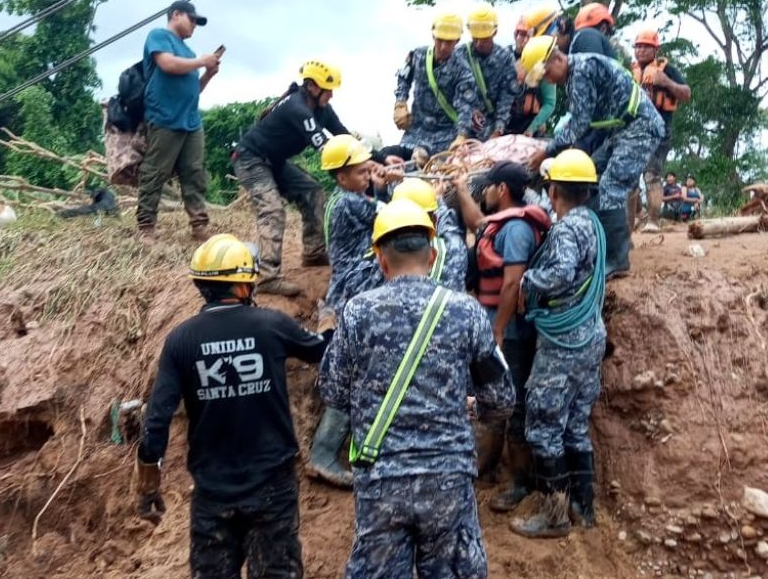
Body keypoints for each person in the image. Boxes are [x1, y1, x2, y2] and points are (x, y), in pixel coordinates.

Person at [319, 199, 515, 578]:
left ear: (380, 258)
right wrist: (469, 408)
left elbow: (332, 390)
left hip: (381, 480)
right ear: (432, 254)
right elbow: (501, 400)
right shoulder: (466, 310)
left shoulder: (357, 312)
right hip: (448, 478)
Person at [134, 234, 328, 578]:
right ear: (242, 286)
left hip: (213, 492)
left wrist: (149, 485)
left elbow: (157, 419)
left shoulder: (181, 340)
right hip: (272, 486)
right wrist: (327, 321)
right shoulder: (272, 324)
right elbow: (320, 351)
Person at [511, 149, 606, 539]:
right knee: (575, 426)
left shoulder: (567, 229)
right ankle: (584, 506)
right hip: (590, 336)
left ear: (554, 192)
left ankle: (555, 516)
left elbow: (562, 272)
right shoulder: (591, 223)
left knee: (543, 425)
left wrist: (527, 282)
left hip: (564, 341)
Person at [522, 35, 664, 278]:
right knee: (588, 173)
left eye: (546, 73)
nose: (547, 80)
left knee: (611, 184)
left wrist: (547, 150)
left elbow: (579, 123)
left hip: (640, 127)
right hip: (620, 130)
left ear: (556, 59)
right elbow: (587, 124)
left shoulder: (581, 70)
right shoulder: (574, 75)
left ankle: (617, 260)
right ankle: (597, 242)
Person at [454, 161, 550, 513]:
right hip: (494, 326)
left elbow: (512, 282)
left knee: (514, 404)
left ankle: (521, 481)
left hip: (509, 332)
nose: (486, 193)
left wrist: (497, 330)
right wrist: (461, 187)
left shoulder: (518, 230)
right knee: (491, 398)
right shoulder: (500, 224)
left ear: (502, 189)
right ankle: (487, 465)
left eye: (489, 187)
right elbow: (475, 223)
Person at [308, 135, 396, 488]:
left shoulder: (347, 199)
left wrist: (377, 184)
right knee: (355, 377)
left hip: (349, 295)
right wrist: (392, 184)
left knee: (353, 376)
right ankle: (324, 454)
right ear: (341, 176)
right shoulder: (348, 204)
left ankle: (331, 452)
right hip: (352, 297)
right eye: (360, 172)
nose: (366, 175)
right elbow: (395, 216)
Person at [233, 60, 350, 297]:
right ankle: (267, 276)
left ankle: (314, 252)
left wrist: (376, 156)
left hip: (274, 162)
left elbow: (343, 136)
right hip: (250, 159)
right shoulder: (296, 108)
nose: (332, 95)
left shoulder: (323, 111)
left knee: (313, 191)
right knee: (273, 211)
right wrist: (353, 165)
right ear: (312, 87)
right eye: (328, 90)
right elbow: (326, 147)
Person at [136, 0, 222, 242]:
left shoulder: (189, 53)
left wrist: (208, 73)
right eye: (192, 19)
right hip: (165, 118)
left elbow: (194, 89)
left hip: (191, 121)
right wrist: (201, 62)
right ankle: (146, 226)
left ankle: (199, 225)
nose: (194, 25)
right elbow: (168, 64)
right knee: (155, 172)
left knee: (194, 172)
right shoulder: (159, 36)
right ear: (176, 15)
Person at [394, 14, 483, 159]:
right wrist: (400, 102)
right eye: (440, 40)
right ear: (433, 37)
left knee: (442, 172)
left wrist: (461, 136)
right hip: (416, 131)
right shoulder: (418, 55)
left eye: (449, 42)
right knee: (401, 169)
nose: (443, 47)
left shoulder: (463, 71)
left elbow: (465, 107)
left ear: (457, 41)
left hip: (446, 135)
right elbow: (403, 78)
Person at [631, 30, 692, 232]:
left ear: (655, 50)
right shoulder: (631, 72)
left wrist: (665, 82)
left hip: (659, 130)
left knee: (652, 175)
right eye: (638, 46)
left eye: (646, 46)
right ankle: (635, 218)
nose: (640, 50)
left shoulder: (668, 70)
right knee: (628, 176)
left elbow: (686, 93)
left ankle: (654, 222)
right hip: (635, 131)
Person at [454, 5, 520, 140]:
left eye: (483, 39)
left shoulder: (505, 58)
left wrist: (498, 130)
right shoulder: (459, 54)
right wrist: (469, 111)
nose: (478, 43)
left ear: (494, 33)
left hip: (489, 124)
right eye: (475, 38)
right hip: (459, 120)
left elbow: (506, 99)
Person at [392, 177, 468, 291]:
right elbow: (449, 230)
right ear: (434, 219)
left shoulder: (382, 250)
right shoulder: (452, 247)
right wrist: (439, 200)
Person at [507, 8, 558, 136]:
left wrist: (532, 128)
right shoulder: (504, 58)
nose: (524, 40)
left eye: (528, 36)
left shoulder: (541, 60)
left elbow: (549, 103)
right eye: (522, 34)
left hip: (530, 124)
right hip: (505, 123)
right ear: (515, 35)